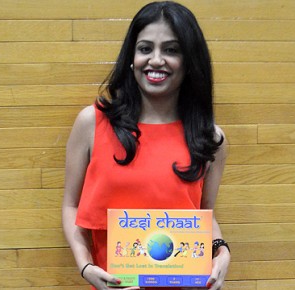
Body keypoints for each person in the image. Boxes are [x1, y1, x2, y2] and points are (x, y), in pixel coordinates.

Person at [62, 1, 230, 290]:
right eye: (145, 49)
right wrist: (85, 266)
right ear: (131, 58)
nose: (155, 60)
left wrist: (222, 250)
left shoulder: (210, 138)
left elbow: (205, 214)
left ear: (189, 62)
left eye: (171, 50)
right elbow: (70, 205)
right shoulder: (93, 123)